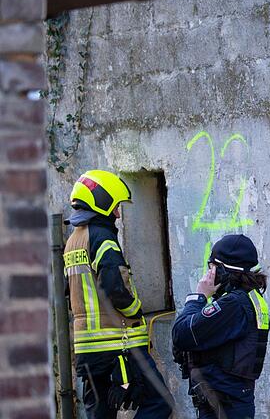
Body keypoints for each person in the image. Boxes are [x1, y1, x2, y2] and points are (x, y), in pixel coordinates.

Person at [63, 170, 172, 418]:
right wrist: (136, 311)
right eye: (116, 207)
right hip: (118, 346)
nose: (118, 214)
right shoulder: (103, 239)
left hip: (88, 352)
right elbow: (115, 288)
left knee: (100, 414)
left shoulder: (73, 242)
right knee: (159, 403)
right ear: (102, 203)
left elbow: (68, 292)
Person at [172, 234, 270, 419]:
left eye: (212, 268)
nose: (208, 274)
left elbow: (182, 334)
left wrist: (198, 297)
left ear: (224, 270)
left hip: (224, 405)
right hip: (230, 401)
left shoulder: (233, 305)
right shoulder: (248, 298)